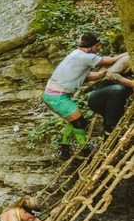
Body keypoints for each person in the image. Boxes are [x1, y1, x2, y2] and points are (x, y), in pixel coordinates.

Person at [42, 32, 123, 160]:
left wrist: (104, 73)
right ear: (91, 46)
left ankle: (64, 151)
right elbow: (111, 60)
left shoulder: (77, 54)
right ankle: (86, 152)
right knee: (80, 122)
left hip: (53, 95)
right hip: (57, 97)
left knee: (74, 120)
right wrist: (129, 53)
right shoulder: (84, 57)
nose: (99, 48)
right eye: (97, 46)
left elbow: (89, 76)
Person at [88, 53, 133, 138]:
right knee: (117, 89)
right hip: (99, 97)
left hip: (116, 103)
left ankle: (109, 134)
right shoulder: (129, 58)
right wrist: (131, 83)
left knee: (112, 133)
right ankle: (110, 127)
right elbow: (110, 74)